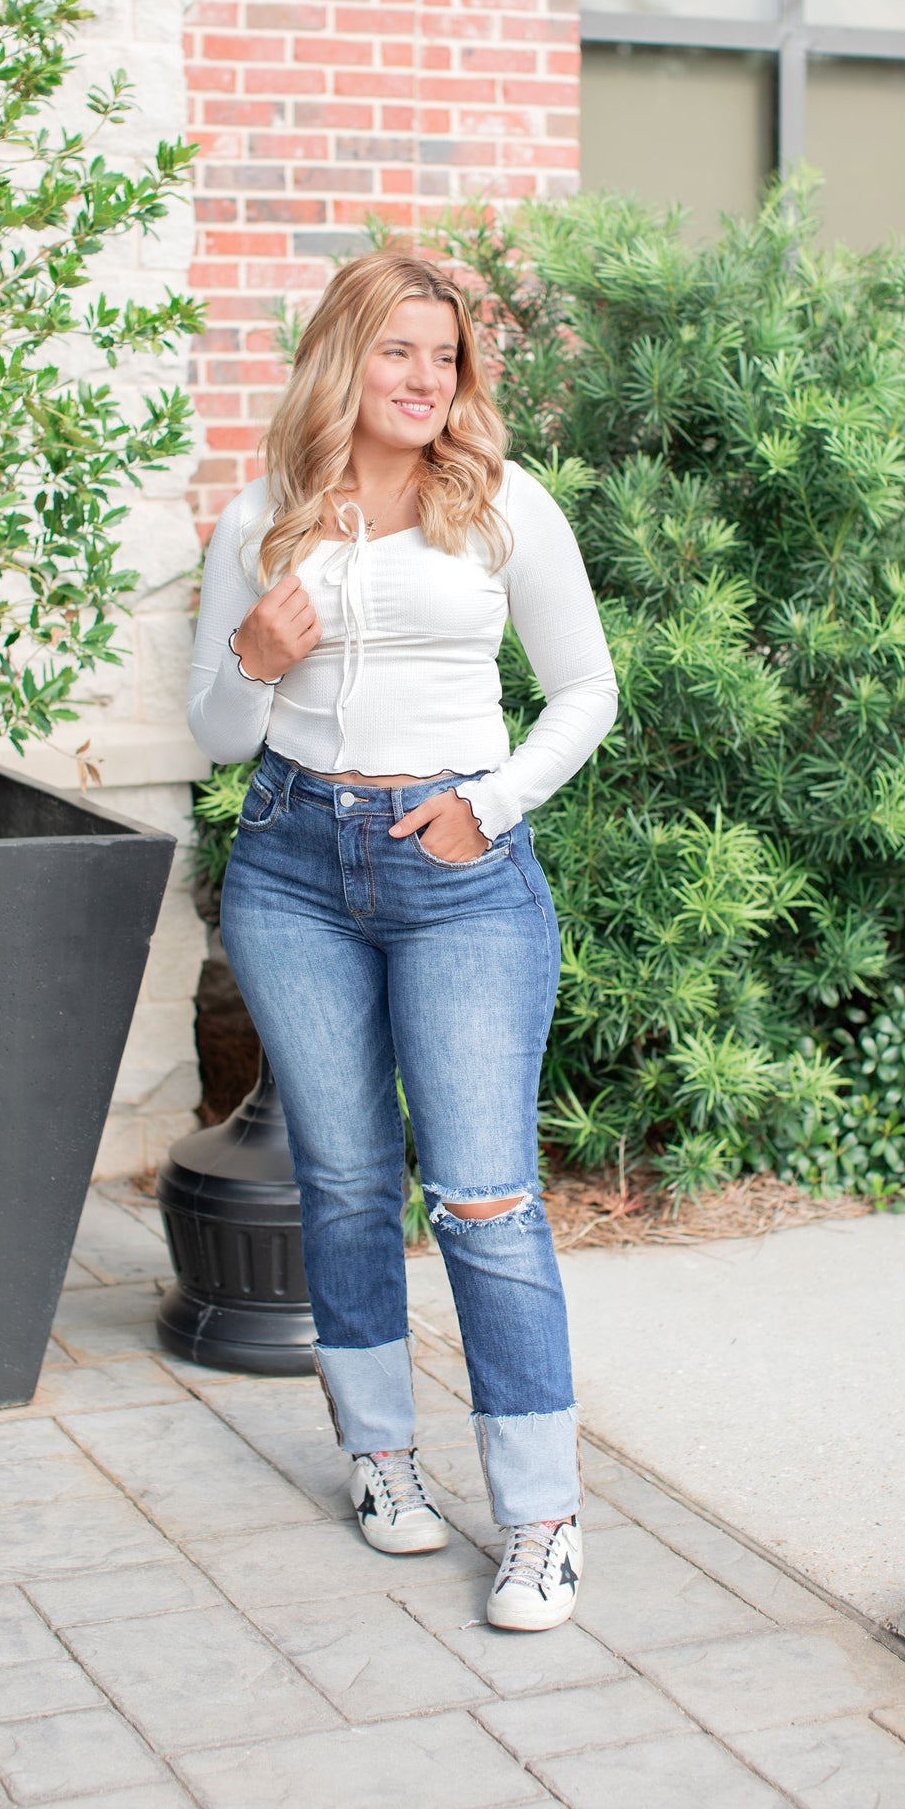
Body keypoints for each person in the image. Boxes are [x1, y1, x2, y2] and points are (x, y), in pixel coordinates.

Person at [187, 251, 617, 1631]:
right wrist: (254, 655)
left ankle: (541, 1521)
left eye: (445, 357)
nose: (427, 380)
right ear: (341, 362)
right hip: (294, 868)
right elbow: (214, 738)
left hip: (459, 873)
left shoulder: (498, 507)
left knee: (484, 1201)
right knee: (347, 1182)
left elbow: (583, 692)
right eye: (398, 354)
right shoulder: (263, 517)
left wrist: (482, 810)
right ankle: (380, 1459)